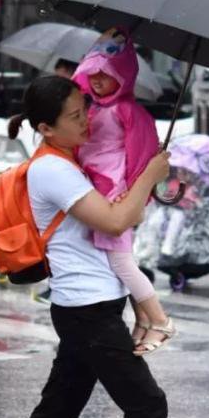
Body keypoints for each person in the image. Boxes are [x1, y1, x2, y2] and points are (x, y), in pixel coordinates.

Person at [0, 75, 209, 418]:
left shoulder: (71, 161)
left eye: (86, 110)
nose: (87, 121)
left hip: (91, 304)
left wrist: (141, 171)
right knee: (146, 403)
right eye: (75, 117)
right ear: (45, 127)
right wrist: (150, 175)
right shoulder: (52, 170)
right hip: (86, 309)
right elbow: (117, 217)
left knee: (58, 406)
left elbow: (128, 219)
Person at [70, 28, 174, 355]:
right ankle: (143, 322)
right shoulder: (93, 109)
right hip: (96, 192)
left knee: (122, 262)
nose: (98, 80)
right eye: (94, 73)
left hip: (116, 194)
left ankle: (160, 321)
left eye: (107, 74)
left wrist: (133, 196)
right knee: (116, 262)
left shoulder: (130, 112)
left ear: (124, 75)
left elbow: (142, 157)